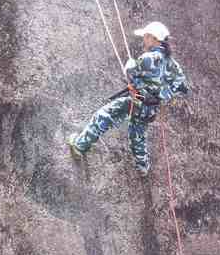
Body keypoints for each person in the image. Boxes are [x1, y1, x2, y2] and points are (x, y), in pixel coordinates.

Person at [66, 21, 189, 175]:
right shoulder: (171, 63)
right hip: (151, 108)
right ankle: (143, 167)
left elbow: (131, 75)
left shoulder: (148, 58)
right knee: (138, 134)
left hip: (136, 100)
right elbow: (183, 85)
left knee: (104, 115)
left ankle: (79, 145)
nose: (144, 40)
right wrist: (164, 94)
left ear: (153, 38)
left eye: (145, 37)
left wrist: (130, 66)